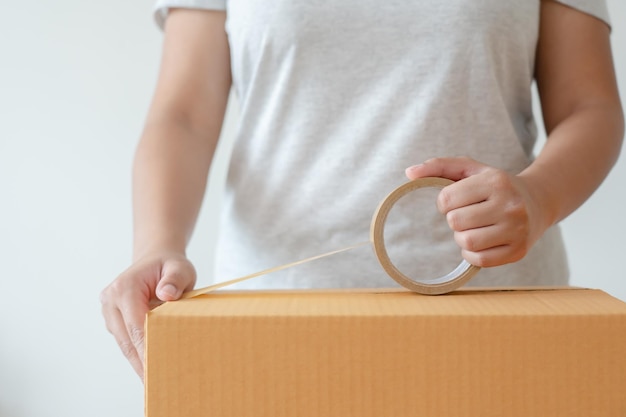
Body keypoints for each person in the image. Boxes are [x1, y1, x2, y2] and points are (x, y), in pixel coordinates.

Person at [100, 0, 624, 378]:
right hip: (272, 324)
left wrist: (538, 196)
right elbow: (183, 115)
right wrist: (157, 245)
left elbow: (589, 106)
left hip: (496, 318)